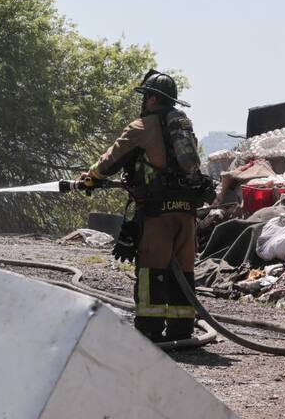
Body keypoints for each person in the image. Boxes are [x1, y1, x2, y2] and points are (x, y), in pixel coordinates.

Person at [74, 70, 207, 342]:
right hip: (186, 213)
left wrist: (90, 180)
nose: (144, 100)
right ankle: (182, 331)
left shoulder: (140, 128)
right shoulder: (183, 127)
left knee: (152, 270)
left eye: (146, 95)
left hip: (158, 214)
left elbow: (109, 162)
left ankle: (149, 331)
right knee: (182, 270)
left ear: (153, 99)